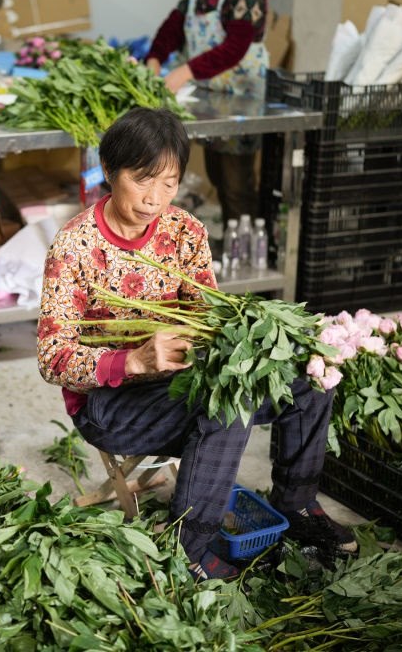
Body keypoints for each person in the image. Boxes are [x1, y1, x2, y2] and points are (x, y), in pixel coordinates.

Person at [36, 107, 356, 581]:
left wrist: (242, 335)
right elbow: (52, 358)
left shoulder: (184, 231)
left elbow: (210, 312)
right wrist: (134, 360)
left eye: (169, 183)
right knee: (229, 406)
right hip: (111, 403)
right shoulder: (75, 248)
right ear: (109, 171)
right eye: (143, 180)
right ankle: (192, 544)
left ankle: (298, 503)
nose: (154, 199)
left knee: (311, 377)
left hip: (185, 378)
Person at [144, 0, 268, 231]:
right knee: (216, 171)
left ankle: (245, 251)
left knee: (236, 182)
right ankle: (228, 244)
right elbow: (176, 23)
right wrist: (155, 55)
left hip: (241, 98)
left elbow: (235, 47)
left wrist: (187, 70)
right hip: (210, 95)